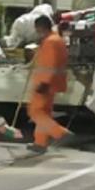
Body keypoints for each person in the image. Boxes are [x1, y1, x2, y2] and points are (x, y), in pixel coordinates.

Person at [27, 14, 71, 153]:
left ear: (41, 27)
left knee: (35, 112)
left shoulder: (50, 42)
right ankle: (40, 143)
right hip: (52, 83)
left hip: (45, 83)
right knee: (44, 113)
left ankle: (59, 132)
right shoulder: (56, 40)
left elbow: (50, 64)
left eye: (37, 28)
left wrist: (44, 82)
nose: (36, 31)